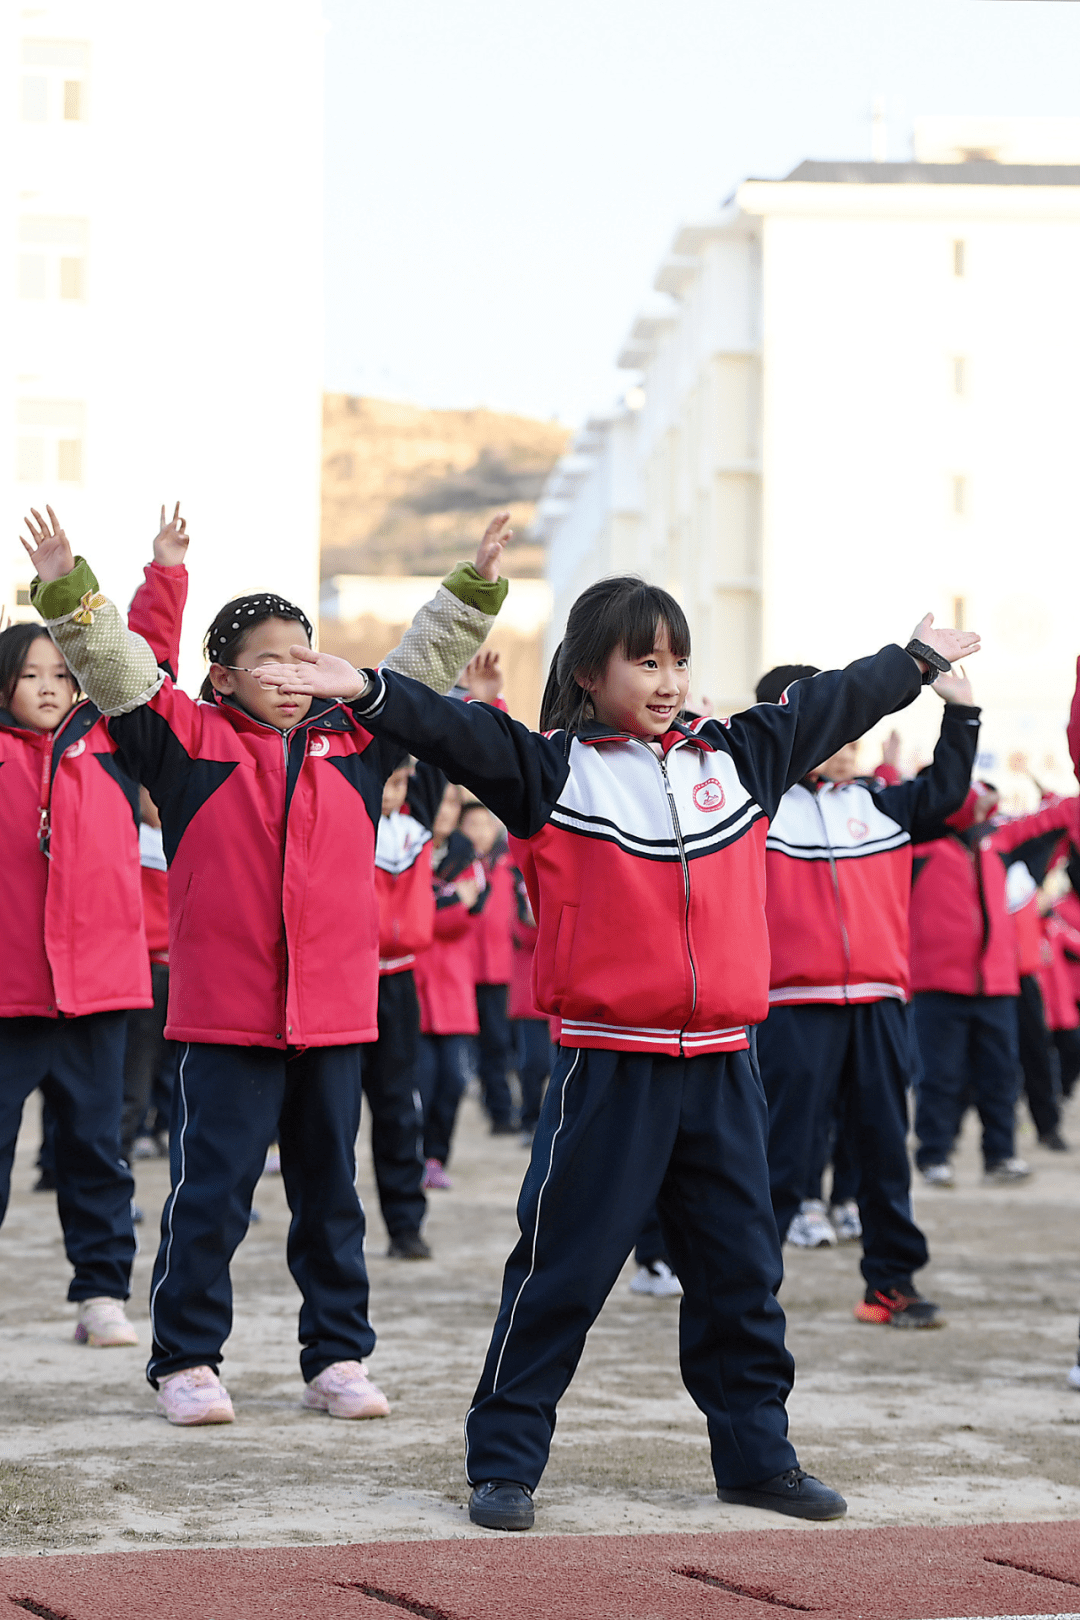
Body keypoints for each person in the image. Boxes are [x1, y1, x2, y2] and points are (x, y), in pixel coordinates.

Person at [253, 575, 977, 1529]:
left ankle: (757, 1456)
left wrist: (915, 662)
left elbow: (829, 700)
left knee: (742, 1277)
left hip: (724, 1064)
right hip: (610, 1064)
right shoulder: (554, 772)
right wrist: (375, 690)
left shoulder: (740, 756)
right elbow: (457, 735)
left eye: (678, 659)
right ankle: (504, 1463)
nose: (669, 678)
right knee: (562, 1270)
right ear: (590, 675)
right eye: (646, 660)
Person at [23, 503, 510, 1427]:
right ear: (221, 674)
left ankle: (337, 1357)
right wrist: (71, 594)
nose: (290, 676)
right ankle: (188, 1361)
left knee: (332, 1200)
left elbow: (419, 667)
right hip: (224, 1019)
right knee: (210, 1197)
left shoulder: (361, 745)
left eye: (303, 657)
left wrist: (473, 587)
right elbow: (120, 669)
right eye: (267, 661)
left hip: (333, 1018)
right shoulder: (184, 741)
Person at [0, 505, 188, 1347]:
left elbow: (140, 659)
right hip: (8, 994)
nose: (50, 685)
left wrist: (165, 573)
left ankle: (101, 1292)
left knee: (97, 1149)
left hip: (98, 993)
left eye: (62, 673)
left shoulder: (111, 739)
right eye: (32, 672)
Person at [753, 663, 979, 1327]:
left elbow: (947, 791)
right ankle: (747, 1287)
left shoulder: (881, 806)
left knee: (884, 1147)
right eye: (834, 725)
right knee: (782, 1155)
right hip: (793, 1009)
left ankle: (891, 1283)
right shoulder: (757, 811)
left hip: (880, 1004)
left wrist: (961, 714)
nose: (850, 739)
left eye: (855, 728)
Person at [910, 785, 1078, 1186]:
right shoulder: (919, 849)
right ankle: (934, 1154)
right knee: (939, 1076)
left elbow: (1051, 818)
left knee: (1001, 1075)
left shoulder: (998, 843)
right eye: (981, 801)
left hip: (998, 985)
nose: (989, 808)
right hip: (939, 984)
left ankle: (1000, 1155)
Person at [363, 757, 436, 1259]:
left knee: (397, 1107)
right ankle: (334, 1227)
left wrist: (479, 700)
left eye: (399, 781)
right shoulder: (347, 822)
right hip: (349, 979)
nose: (392, 791)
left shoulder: (417, 828)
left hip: (401, 981)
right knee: (337, 1111)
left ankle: (405, 1223)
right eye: (384, 780)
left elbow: (444, 750)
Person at [414, 782, 483, 1188]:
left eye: (453, 801)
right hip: (416, 982)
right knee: (420, 1080)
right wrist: (455, 901)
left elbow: (468, 913)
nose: (444, 809)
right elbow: (419, 920)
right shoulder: (408, 844)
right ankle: (417, 1155)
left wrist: (443, 904)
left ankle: (437, 1156)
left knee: (454, 1081)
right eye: (440, 799)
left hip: (455, 985)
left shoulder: (464, 854)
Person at [461, 801, 518, 1134]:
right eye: (472, 824)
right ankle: (495, 1105)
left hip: (500, 969)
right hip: (465, 971)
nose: (480, 831)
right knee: (480, 1044)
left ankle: (502, 1110)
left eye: (486, 824)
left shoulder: (509, 865)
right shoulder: (459, 865)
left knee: (499, 1043)